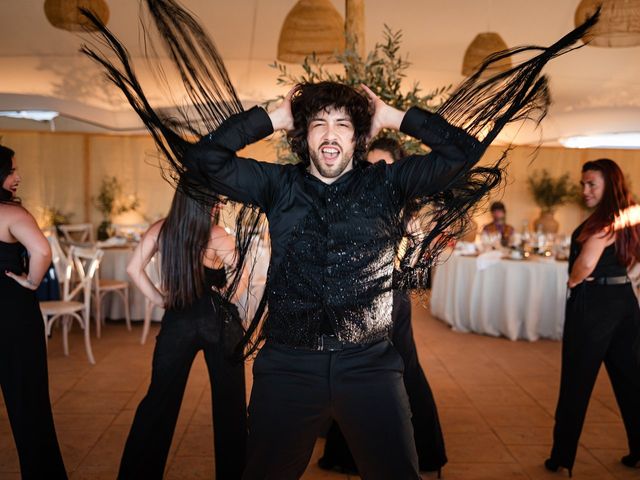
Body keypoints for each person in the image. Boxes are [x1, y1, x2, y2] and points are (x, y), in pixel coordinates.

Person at [80, 3, 599, 478]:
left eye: (343, 125)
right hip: (287, 366)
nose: (330, 134)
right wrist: (271, 116)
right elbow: (203, 161)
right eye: (318, 124)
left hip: (370, 365)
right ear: (303, 136)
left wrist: (398, 116)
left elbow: (463, 154)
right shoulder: (277, 184)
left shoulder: (389, 183)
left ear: (358, 137)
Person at [318, 137, 447, 475]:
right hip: (356, 300)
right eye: (371, 165)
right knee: (355, 371)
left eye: (384, 166)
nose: (377, 172)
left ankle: (426, 451)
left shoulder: (406, 207)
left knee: (406, 368)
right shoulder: (352, 201)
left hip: (392, 298)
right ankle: (348, 453)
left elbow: (415, 257)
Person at [119, 189, 248, 479]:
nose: (218, 205)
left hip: (178, 321)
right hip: (218, 322)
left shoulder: (161, 229)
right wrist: (225, 297)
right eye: (215, 199)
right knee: (230, 406)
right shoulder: (216, 234)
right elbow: (243, 274)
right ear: (205, 203)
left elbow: (132, 268)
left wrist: (160, 299)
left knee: (158, 401)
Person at [546, 159, 640, 476]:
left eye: (591, 184)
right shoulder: (627, 217)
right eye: (583, 184)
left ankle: (561, 458)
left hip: (594, 304)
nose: (584, 190)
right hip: (625, 303)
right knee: (632, 382)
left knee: (576, 381)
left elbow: (586, 263)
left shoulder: (603, 223)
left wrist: (573, 282)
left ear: (607, 186)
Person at [0, 144, 68, 479]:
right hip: (12, 312)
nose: (18, 176)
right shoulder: (12, 214)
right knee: (28, 402)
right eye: (12, 170)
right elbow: (42, 250)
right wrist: (31, 282)